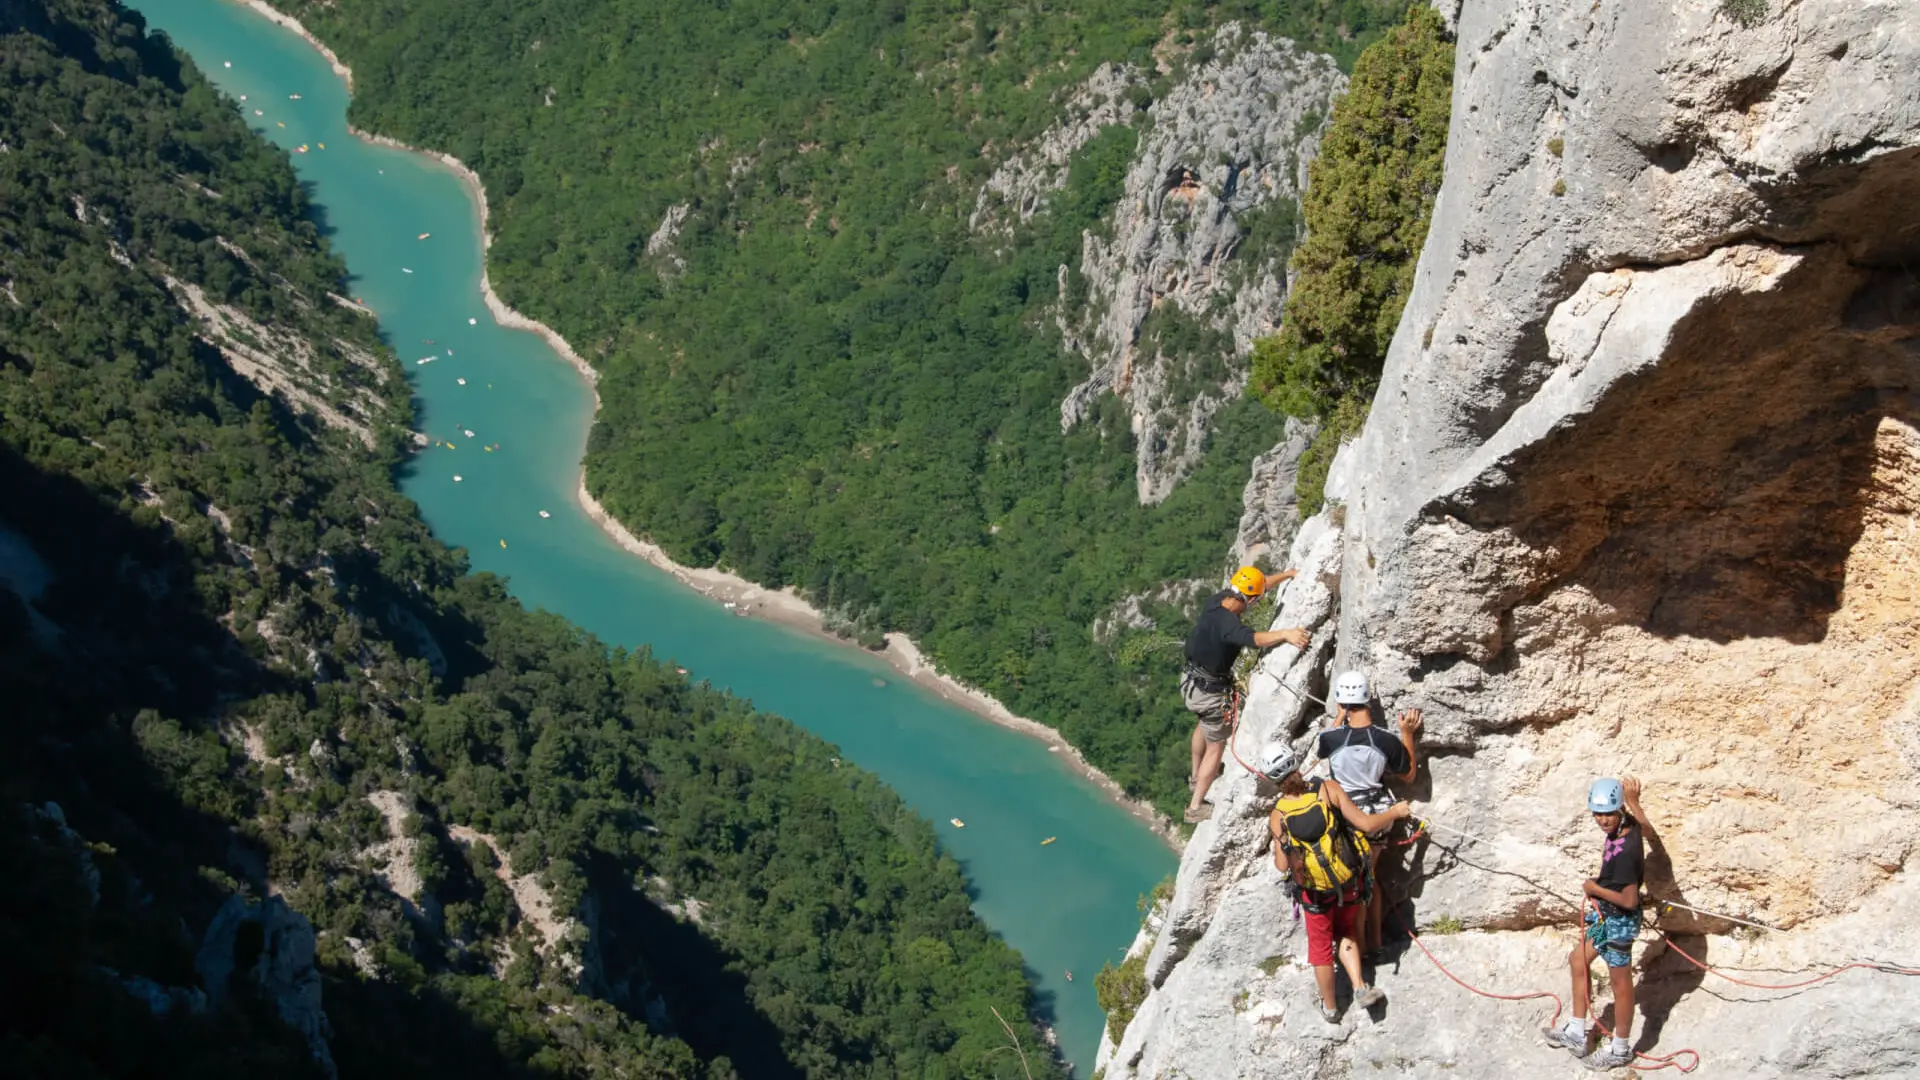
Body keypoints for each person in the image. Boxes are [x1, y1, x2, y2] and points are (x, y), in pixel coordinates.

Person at [1261, 742, 1414, 1022]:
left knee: (1321, 950)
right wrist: (1395, 812)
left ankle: (1330, 1009)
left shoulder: (1278, 815)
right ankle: (1359, 986)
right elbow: (1367, 825)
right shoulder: (1327, 789)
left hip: (1315, 894)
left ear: (1271, 779)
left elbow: (1282, 865)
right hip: (1348, 881)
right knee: (1346, 931)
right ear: (1295, 762)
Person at [1180, 566, 1311, 823]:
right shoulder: (1230, 626)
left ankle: (1195, 777)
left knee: (1203, 725)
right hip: (1210, 693)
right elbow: (1257, 639)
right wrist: (1285, 633)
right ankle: (1195, 807)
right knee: (1216, 745)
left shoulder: (1217, 600)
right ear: (1251, 600)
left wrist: (1287, 575)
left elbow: (1258, 587)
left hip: (1190, 682)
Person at [1544, 776, 1648, 1070]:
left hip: (1620, 920)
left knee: (1620, 983)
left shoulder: (1626, 850)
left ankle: (1620, 1049)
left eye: (1608, 814)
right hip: (1607, 915)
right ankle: (1577, 1032)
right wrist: (1634, 803)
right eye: (1598, 814)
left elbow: (1629, 900)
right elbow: (1646, 829)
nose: (1602, 820)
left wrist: (1593, 888)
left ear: (1618, 812)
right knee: (1578, 959)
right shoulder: (1627, 826)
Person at [1315, 671, 1422, 956]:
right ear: (1369, 701)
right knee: (1368, 877)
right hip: (1377, 818)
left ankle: (1358, 947)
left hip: (1345, 816)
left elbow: (1324, 746)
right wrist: (1407, 735)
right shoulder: (1385, 740)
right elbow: (1409, 775)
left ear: (1342, 702)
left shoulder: (1330, 738)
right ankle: (1374, 941)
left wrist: (1340, 716)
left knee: (1356, 884)